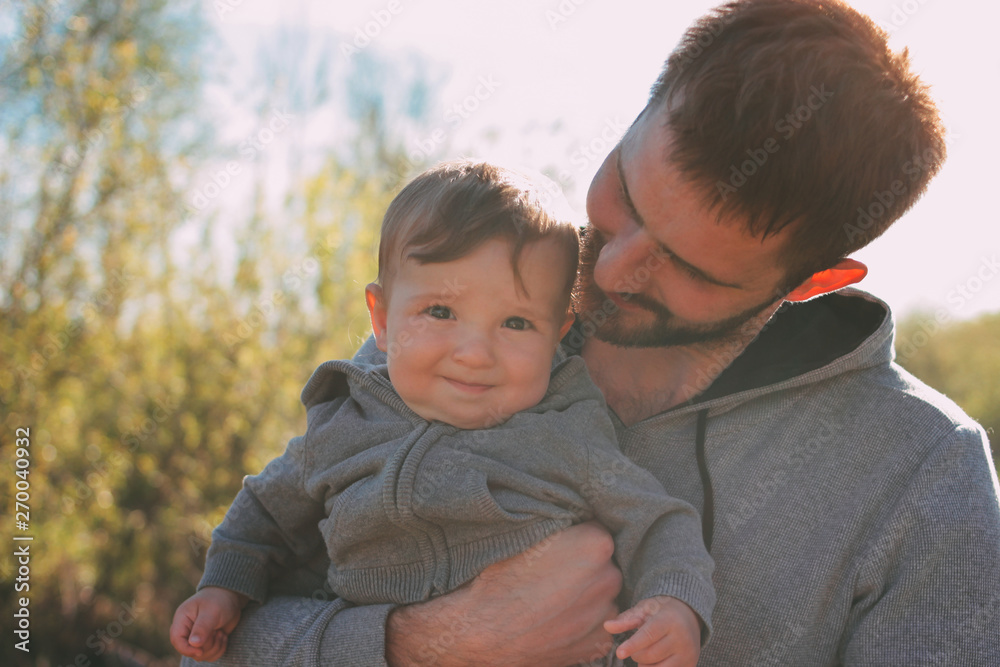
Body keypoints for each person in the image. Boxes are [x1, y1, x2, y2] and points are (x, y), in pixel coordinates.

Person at [184, 0, 1000, 665]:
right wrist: (427, 645)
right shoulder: (468, 327)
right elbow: (209, 647)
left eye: (690, 269)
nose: (609, 271)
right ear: (641, 105)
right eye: (626, 197)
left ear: (815, 281)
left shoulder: (926, 480)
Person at [171, 160, 715, 667]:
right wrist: (225, 587)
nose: (475, 352)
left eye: (517, 324)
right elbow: (265, 512)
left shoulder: (566, 431)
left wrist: (676, 602)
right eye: (440, 311)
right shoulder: (343, 422)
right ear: (381, 319)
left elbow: (656, 518)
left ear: (558, 338)